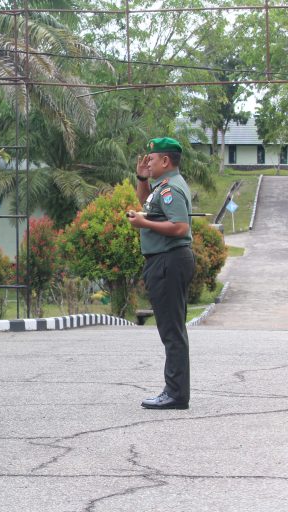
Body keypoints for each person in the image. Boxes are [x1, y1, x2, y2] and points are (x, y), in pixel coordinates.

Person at [128, 137, 195, 410]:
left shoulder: (172, 189)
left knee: (172, 330)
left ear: (165, 161)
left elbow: (180, 227)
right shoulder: (162, 186)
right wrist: (142, 179)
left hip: (170, 260)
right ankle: (175, 390)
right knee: (171, 328)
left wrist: (143, 222)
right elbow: (147, 201)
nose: (147, 162)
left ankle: (176, 394)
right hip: (165, 260)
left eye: (151, 159)